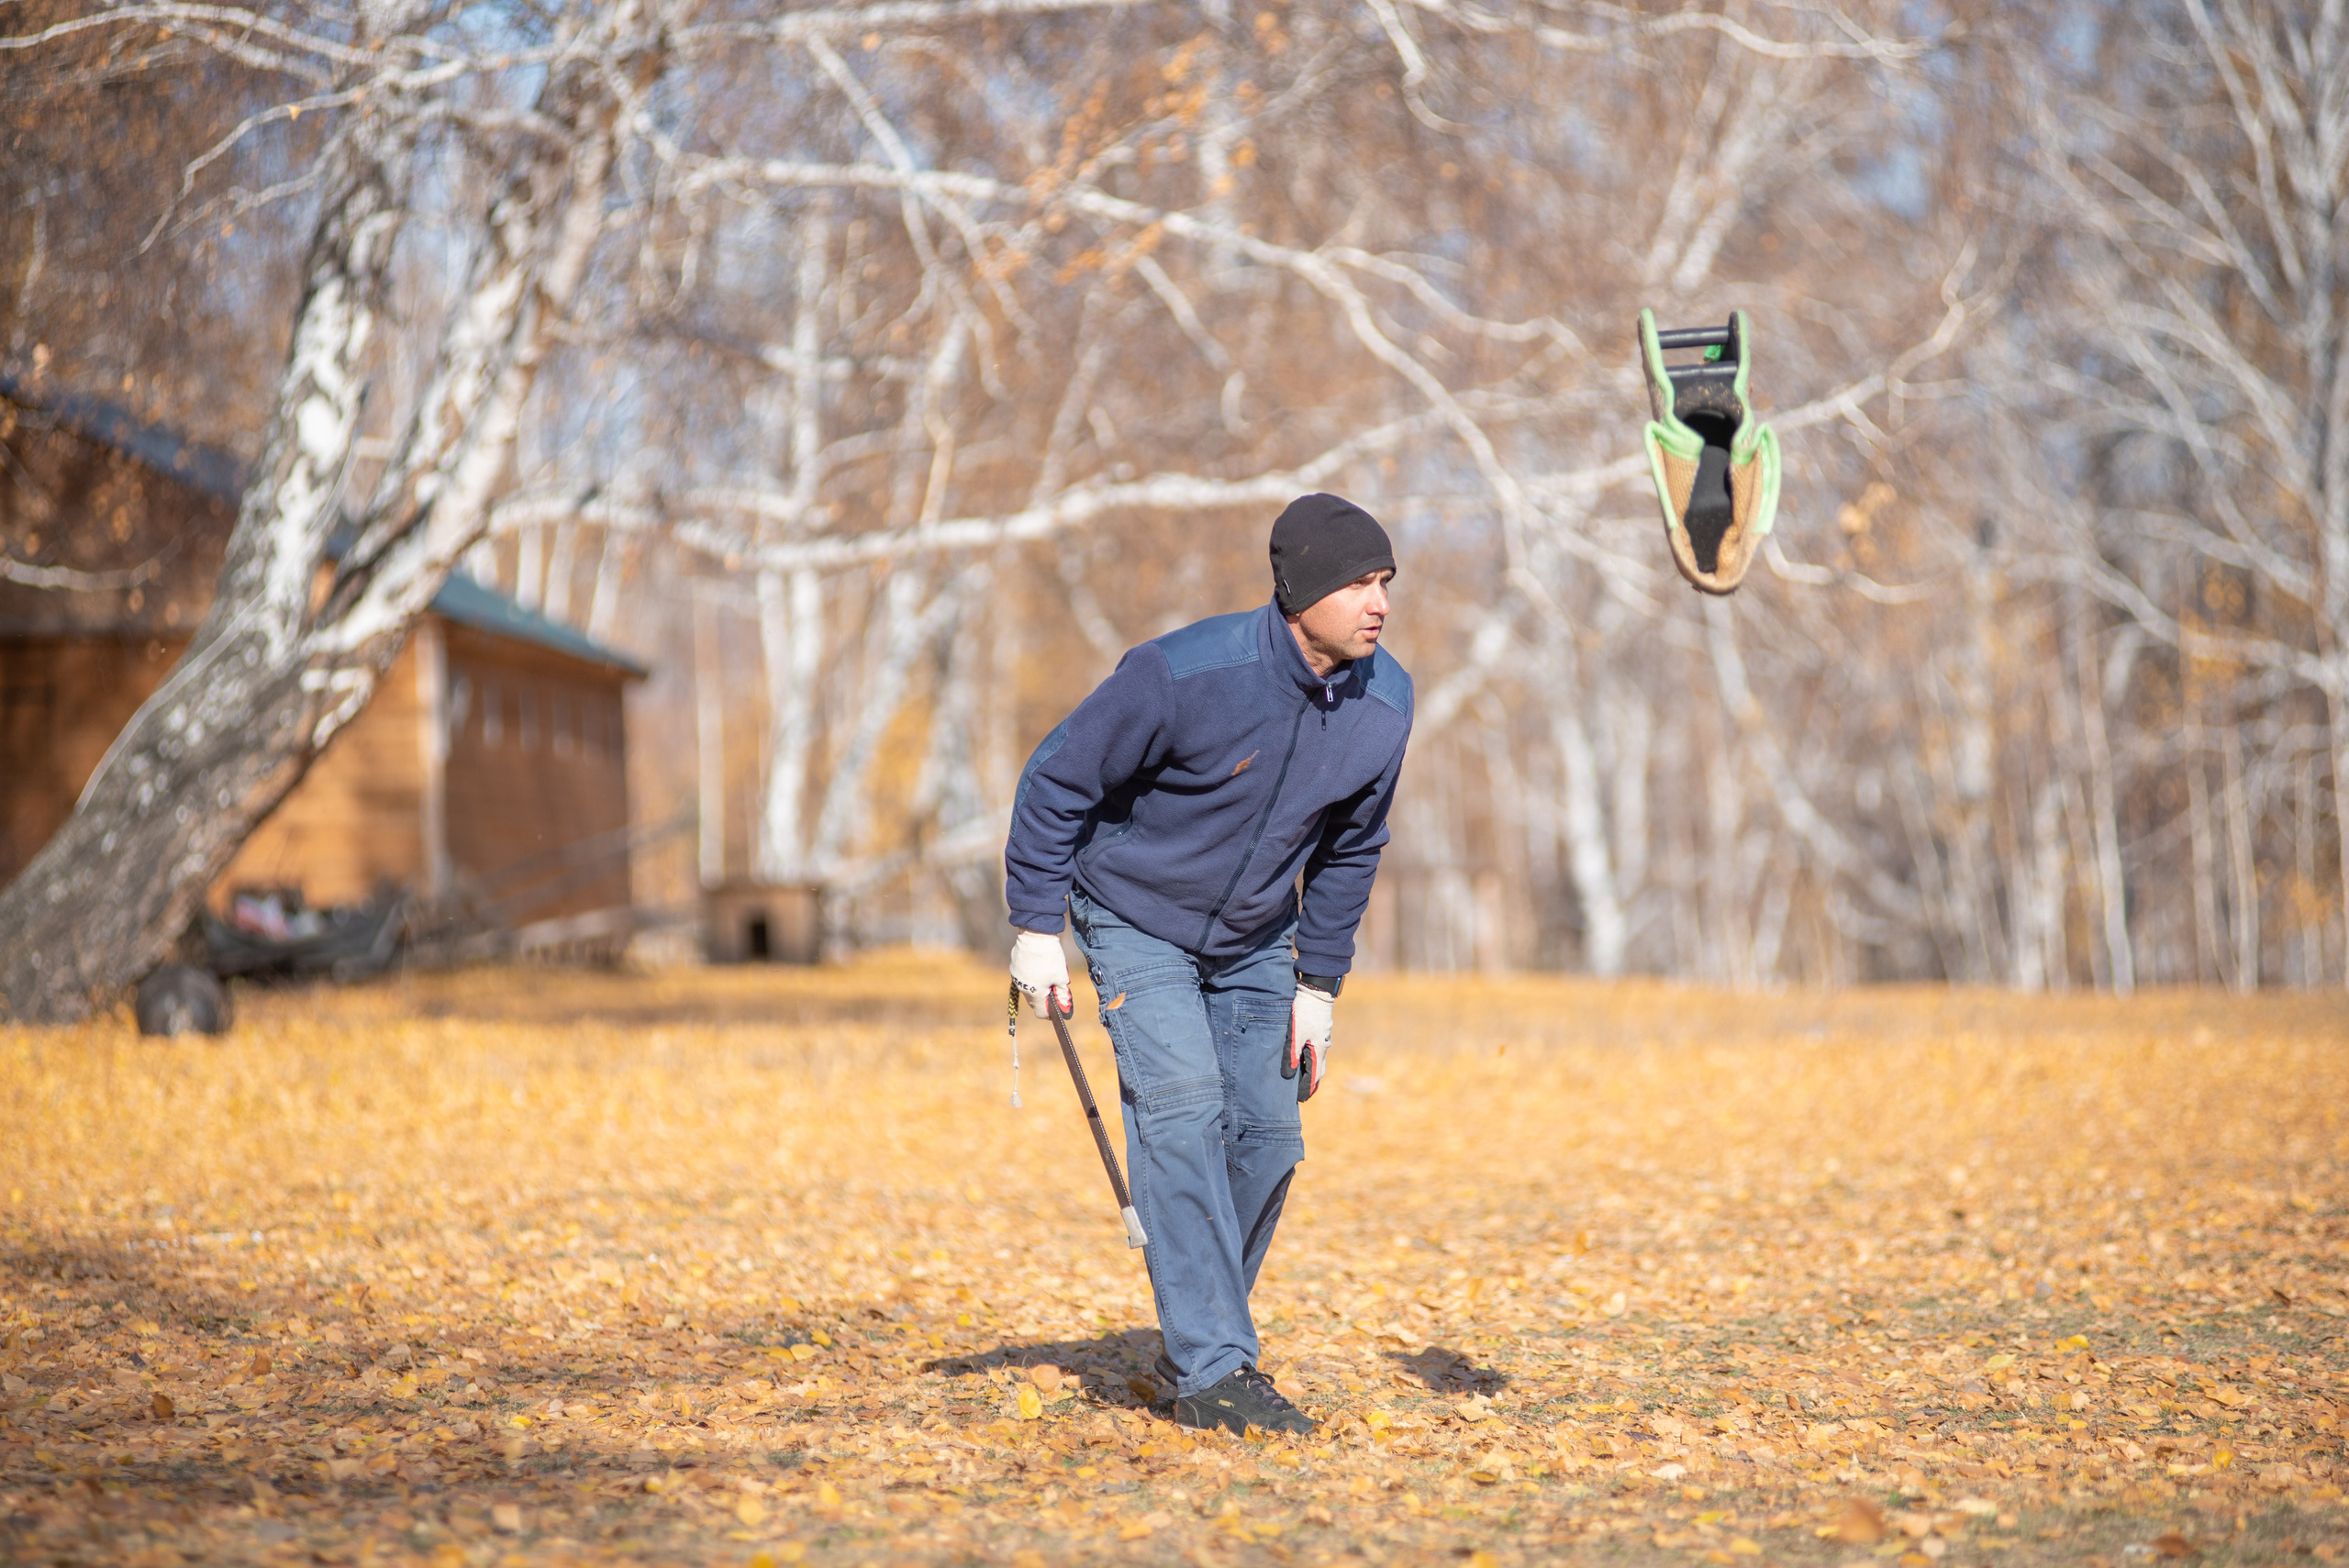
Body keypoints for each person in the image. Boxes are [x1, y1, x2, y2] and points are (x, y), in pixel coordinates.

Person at [1002, 493, 1412, 1436]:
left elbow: (1351, 848)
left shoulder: (1384, 703)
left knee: (1268, 1138)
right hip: (1134, 914)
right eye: (1357, 581)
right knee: (1182, 1105)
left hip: (1259, 935)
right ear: (1298, 589)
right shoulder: (1183, 673)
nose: (1378, 601)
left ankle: (1196, 1336)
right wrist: (1034, 924)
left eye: (1385, 582)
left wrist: (1319, 985)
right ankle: (1216, 1364)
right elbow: (1056, 779)